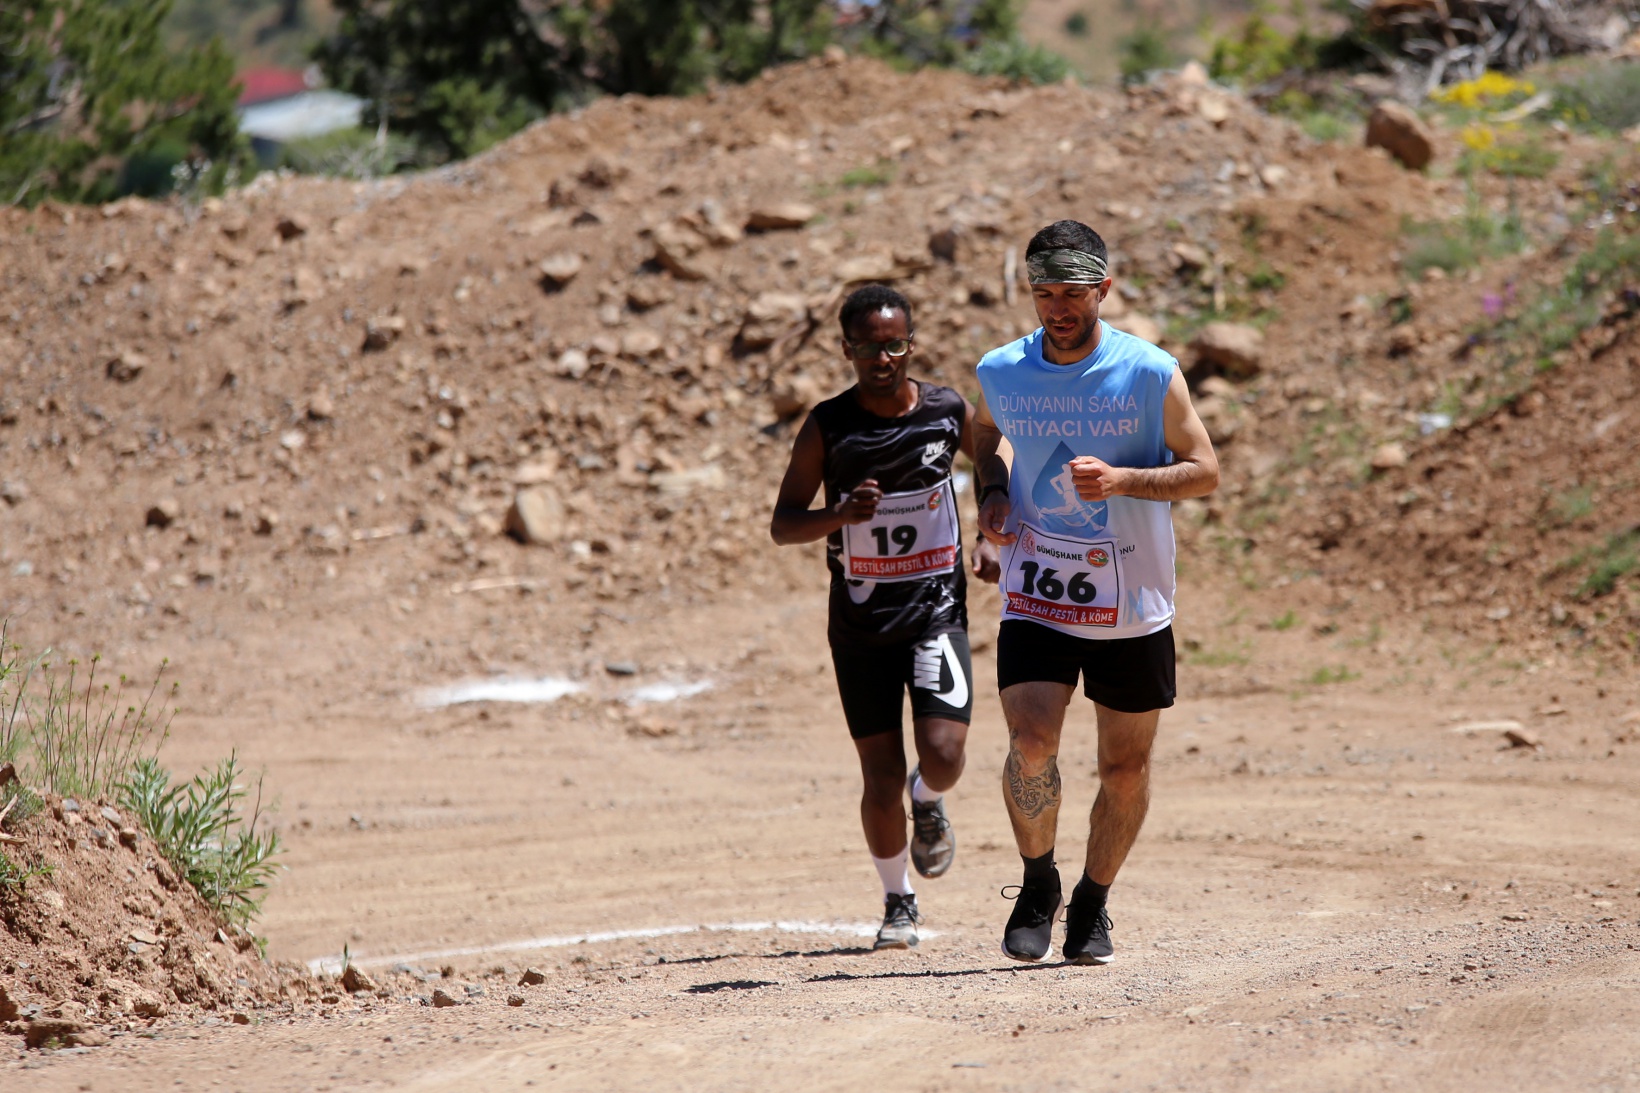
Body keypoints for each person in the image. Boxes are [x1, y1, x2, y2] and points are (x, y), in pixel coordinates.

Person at [972, 220, 1219, 965]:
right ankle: (1037, 881)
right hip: (1039, 592)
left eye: (1073, 293)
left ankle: (1092, 900)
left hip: (1133, 603)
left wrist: (1124, 482)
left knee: (1124, 770)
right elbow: (984, 431)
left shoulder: (1148, 372)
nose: (1057, 307)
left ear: (1103, 290)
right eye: (1043, 292)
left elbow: (1204, 468)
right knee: (1031, 741)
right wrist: (989, 490)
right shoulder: (1002, 369)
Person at [771, 283, 1001, 951]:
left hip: (936, 612)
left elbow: (993, 452)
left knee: (946, 754)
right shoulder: (828, 425)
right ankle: (898, 900)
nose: (883, 357)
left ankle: (927, 799)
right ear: (847, 350)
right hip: (861, 629)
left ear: (912, 343)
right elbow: (784, 524)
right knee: (876, 772)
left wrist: (991, 521)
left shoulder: (944, 410)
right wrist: (838, 517)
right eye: (869, 346)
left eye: (895, 343)